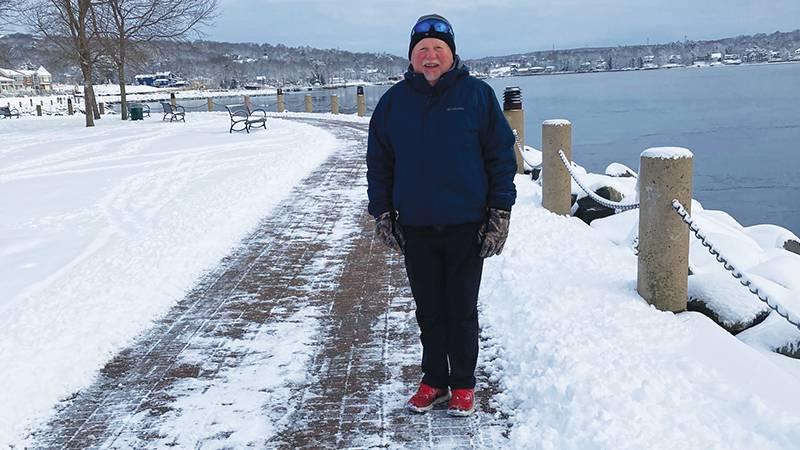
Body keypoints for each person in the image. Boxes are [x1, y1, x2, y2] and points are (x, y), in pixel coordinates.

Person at [366, 14, 517, 417]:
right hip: (415, 226)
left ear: (451, 54)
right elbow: (378, 162)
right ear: (412, 57)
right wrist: (382, 212)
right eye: (422, 50)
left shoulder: (477, 96)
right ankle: (434, 379)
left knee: (461, 310)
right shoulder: (393, 103)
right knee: (429, 310)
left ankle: (463, 384)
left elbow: (501, 158)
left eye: (438, 50)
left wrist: (500, 212)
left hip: (466, 225)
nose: (430, 57)